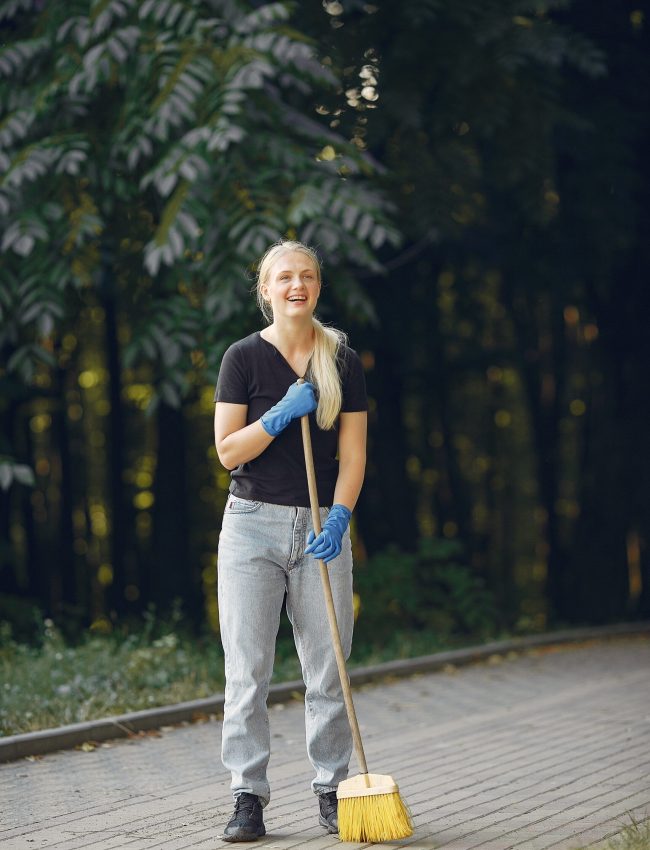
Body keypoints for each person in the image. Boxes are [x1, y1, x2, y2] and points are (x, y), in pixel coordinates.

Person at [213, 240, 368, 841]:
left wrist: (340, 516)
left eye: (307, 276)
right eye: (284, 277)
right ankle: (247, 796)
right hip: (251, 525)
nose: (296, 285)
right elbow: (228, 451)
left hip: (322, 525)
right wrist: (279, 414)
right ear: (266, 289)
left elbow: (353, 456)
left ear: (318, 287)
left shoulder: (342, 361)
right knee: (247, 672)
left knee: (329, 671)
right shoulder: (243, 358)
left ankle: (332, 791)